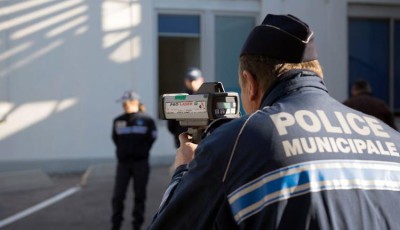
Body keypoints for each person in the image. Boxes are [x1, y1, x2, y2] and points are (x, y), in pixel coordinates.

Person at [148, 14, 400, 229]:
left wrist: (184, 170)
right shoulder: (390, 137)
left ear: (251, 84)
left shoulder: (238, 141)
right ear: (317, 73)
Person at [111, 90, 157, 230]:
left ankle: (137, 225)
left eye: (126, 103)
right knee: (118, 196)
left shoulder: (147, 120)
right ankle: (116, 225)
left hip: (140, 163)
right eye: (123, 103)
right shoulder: (118, 121)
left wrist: (141, 152)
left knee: (139, 195)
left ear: (134, 102)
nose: (124, 106)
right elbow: (115, 139)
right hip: (123, 164)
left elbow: (152, 138)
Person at [167, 67, 204, 148]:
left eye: (195, 80)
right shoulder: (179, 98)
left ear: (201, 80)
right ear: (186, 81)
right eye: (190, 80)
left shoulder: (207, 97)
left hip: (203, 142)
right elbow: (171, 125)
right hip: (183, 142)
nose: (192, 83)